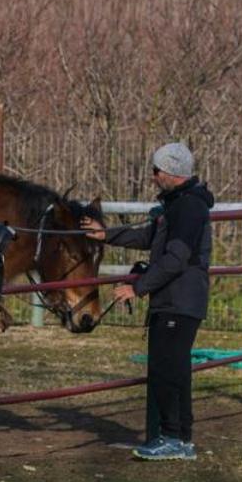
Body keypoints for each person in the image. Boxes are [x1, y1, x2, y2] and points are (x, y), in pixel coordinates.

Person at [87, 141, 213, 461]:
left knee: (165, 370)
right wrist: (107, 235)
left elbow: (176, 258)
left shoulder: (188, 208)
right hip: (176, 300)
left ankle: (171, 437)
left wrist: (138, 287)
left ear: (171, 172)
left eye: (156, 171)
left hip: (178, 300)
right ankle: (181, 438)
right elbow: (147, 236)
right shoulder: (178, 205)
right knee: (176, 369)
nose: (153, 176)